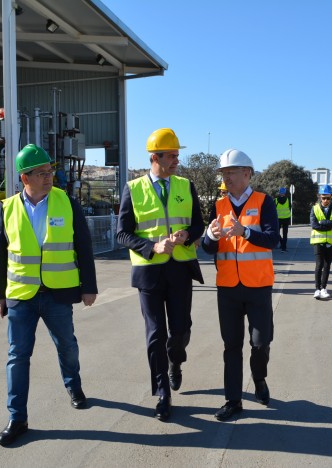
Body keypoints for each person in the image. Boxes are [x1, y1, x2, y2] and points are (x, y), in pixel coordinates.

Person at [0, 144, 98, 447]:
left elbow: (84, 247)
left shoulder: (67, 202)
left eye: (50, 171)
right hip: (21, 296)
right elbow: (0, 255)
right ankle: (17, 418)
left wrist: (88, 286)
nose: (49, 177)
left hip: (58, 293)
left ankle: (74, 386)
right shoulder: (8, 207)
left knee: (67, 345)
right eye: (41, 173)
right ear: (25, 178)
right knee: (17, 356)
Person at [116, 128, 204, 422]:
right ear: (155, 157)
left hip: (180, 269)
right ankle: (162, 392)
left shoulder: (185, 186)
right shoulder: (133, 188)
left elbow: (198, 225)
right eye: (172, 155)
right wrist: (152, 246)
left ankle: (175, 363)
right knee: (155, 334)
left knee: (179, 331)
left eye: (178, 154)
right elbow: (122, 234)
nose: (177, 160)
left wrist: (186, 235)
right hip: (149, 273)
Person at [202, 149, 279, 422]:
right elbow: (208, 247)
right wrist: (210, 236)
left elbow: (272, 239)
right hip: (228, 288)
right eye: (223, 173)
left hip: (258, 286)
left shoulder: (264, 202)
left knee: (260, 343)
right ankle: (233, 400)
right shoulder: (219, 205)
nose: (226, 178)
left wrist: (245, 231)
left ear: (247, 173)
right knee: (231, 345)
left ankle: (259, 378)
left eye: (231, 173)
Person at [310, 184, 332, 299]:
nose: (326, 200)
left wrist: (323, 223)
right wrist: (329, 225)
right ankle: (317, 289)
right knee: (319, 265)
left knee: (327, 265)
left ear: (331, 198)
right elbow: (314, 225)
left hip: (331, 242)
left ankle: (324, 288)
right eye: (323, 198)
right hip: (318, 241)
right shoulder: (314, 208)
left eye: (328, 198)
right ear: (320, 197)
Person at [274, 187, 291, 252]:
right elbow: (290, 208)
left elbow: (273, 209)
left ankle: (281, 242)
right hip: (286, 219)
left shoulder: (275, 200)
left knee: (277, 233)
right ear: (285, 193)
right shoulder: (287, 200)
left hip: (278, 219)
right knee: (285, 234)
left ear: (279, 193)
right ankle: (284, 247)